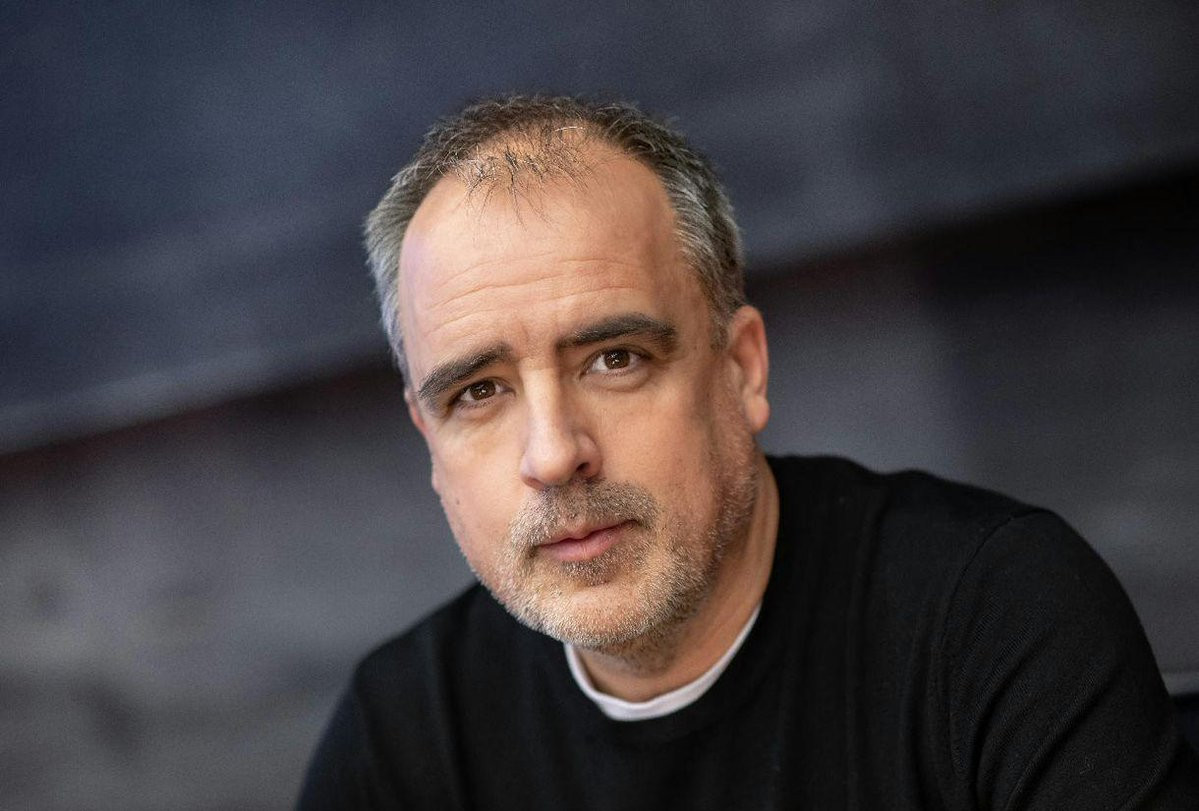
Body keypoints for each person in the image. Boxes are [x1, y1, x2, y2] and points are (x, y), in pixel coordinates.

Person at [298, 95, 1199, 809]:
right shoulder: (402, 739)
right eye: (478, 392)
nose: (554, 453)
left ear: (740, 369)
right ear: (430, 442)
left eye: (615, 359)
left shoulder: (994, 614)